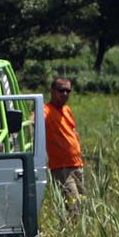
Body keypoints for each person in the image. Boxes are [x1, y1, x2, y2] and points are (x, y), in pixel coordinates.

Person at [44, 77, 84, 206]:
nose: (65, 94)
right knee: (73, 205)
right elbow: (33, 120)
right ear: (52, 91)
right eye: (61, 90)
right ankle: (70, 227)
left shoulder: (66, 109)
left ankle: (73, 227)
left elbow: (73, 130)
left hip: (76, 164)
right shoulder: (46, 110)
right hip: (61, 168)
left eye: (68, 91)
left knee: (82, 204)